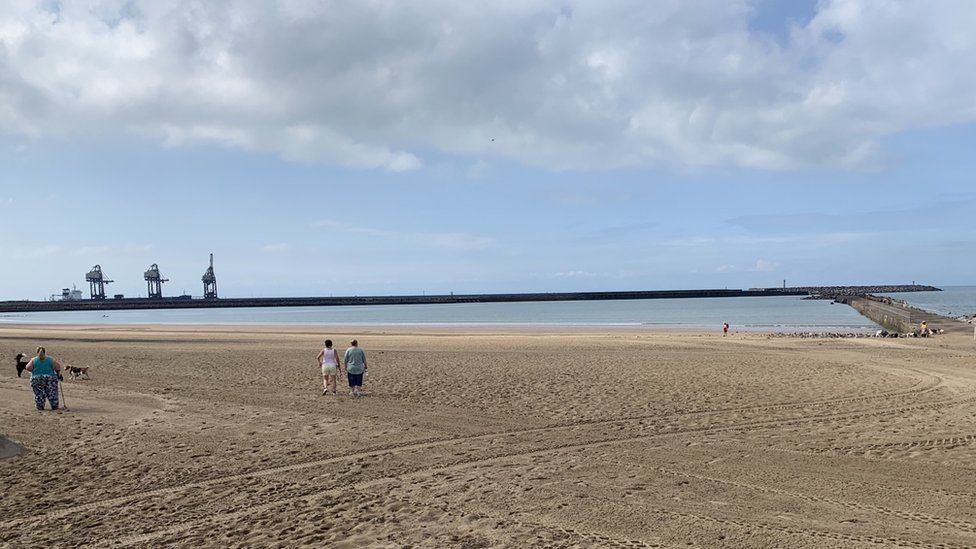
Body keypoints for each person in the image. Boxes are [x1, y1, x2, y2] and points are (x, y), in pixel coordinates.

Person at [24, 346, 62, 411]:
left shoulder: (33, 359)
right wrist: (58, 374)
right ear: (45, 352)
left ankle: (40, 405)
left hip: (36, 378)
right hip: (50, 378)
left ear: (37, 352)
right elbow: (57, 367)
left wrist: (34, 370)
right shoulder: (50, 359)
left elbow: (28, 368)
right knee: (52, 392)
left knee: (39, 393)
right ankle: (54, 405)